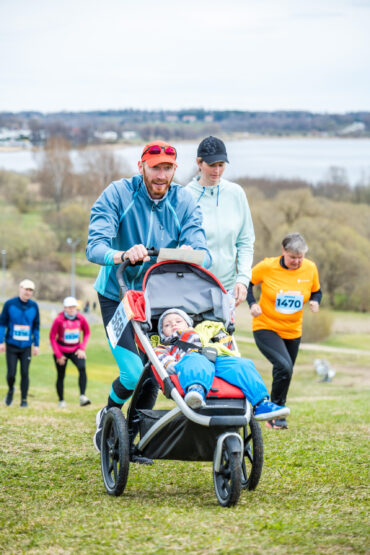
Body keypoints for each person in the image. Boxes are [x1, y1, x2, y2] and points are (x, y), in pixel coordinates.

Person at [86, 140, 212, 455]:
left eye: (167, 168)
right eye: (155, 167)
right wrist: (122, 254)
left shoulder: (184, 201)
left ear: (174, 170)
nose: (161, 175)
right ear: (141, 166)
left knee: (156, 370)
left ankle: (130, 438)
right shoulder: (118, 194)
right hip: (118, 294)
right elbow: (95, 247)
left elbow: (204, 252)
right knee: (131, 372)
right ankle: (108, 413)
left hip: (160, 297)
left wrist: (191, 254)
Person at [154, 308, 289, 420]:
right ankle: (196, 389)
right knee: (195, 359)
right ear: (162, 332)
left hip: (215, 358)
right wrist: (173, 365)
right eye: (167, 325)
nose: (173, 325)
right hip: (189, 361)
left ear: (188, 324)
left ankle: (261, 403)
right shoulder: (164, 346)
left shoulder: (201, 331)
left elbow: (224, 343)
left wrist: (222, 342)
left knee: (243, 364)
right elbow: (163, 359)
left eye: (178, 321)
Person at [247, 232, 322, 429]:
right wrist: (252, 303)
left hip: (293, 331)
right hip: (266, 326)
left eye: (300, 258)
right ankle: (276, 413)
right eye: (292, 258)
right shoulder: (267, 266)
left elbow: (316, 290)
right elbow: (247, 282)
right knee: (284, 366)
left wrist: (315, 301)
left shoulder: (310, 268)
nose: (297, 262)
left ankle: (276, 414)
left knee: (285, 372)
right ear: (283, 252)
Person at [187, 136, 254, 307]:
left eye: (221, 165)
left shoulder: (236, 193)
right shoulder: (185, 196)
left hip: (227, 289)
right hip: (192, 288)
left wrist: (243, 279)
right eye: (211, 165)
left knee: (223, 335)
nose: (217, 170)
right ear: (199, 163)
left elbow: (245, 241)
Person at [0, 279, 40, 407]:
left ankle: (24, 400)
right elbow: (2, 324)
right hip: (11, 345)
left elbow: (36, 326)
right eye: (26, 289)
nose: (28, 292)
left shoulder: (34, 306)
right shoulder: (9, 304)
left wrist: (36, 344)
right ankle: (11, 390)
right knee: (11, 374)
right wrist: (1, 342)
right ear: (20, 288)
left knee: (24, 372)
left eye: (30, 290)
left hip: (26, 346)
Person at [49, 296, 91, 408]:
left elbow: (87, 333)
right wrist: (58, 355)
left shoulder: (81, 319)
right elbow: (52, 337)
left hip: (76, 350)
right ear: (64, 308)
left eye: (73, 307)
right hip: (61, 351)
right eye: (69, 307)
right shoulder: (58, 320)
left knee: (82, 368)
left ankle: (83, 396)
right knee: (61, 375)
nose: (71, 309)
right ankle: (61, 400)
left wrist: (82, 348)